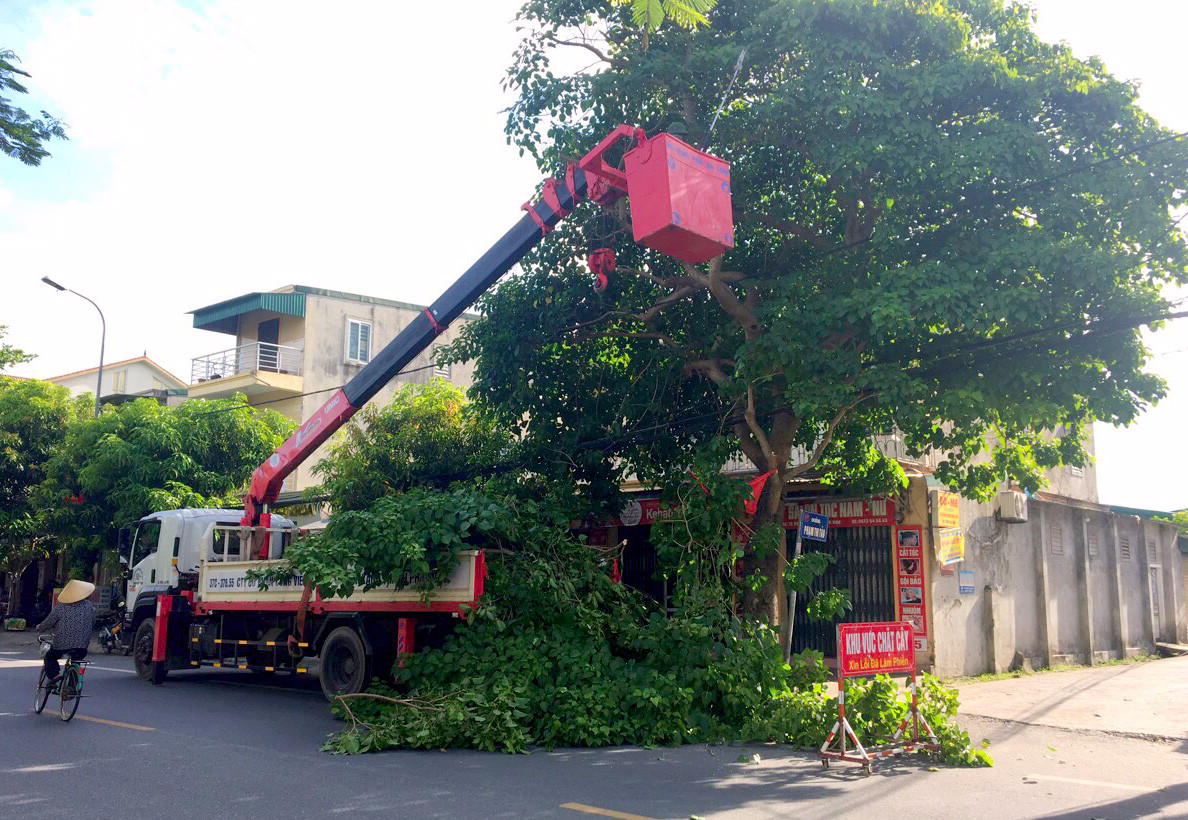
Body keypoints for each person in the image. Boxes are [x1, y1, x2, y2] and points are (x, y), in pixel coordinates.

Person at [35, 579, 96, 687]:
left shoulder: (61, 607)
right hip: (83, 645)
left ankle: (55, 676)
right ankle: (73, 687)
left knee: (50, 657)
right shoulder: (90, 607)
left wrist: (40, 628)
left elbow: (48, 622)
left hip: (62, 644)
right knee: (76, 661)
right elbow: (93, 621)